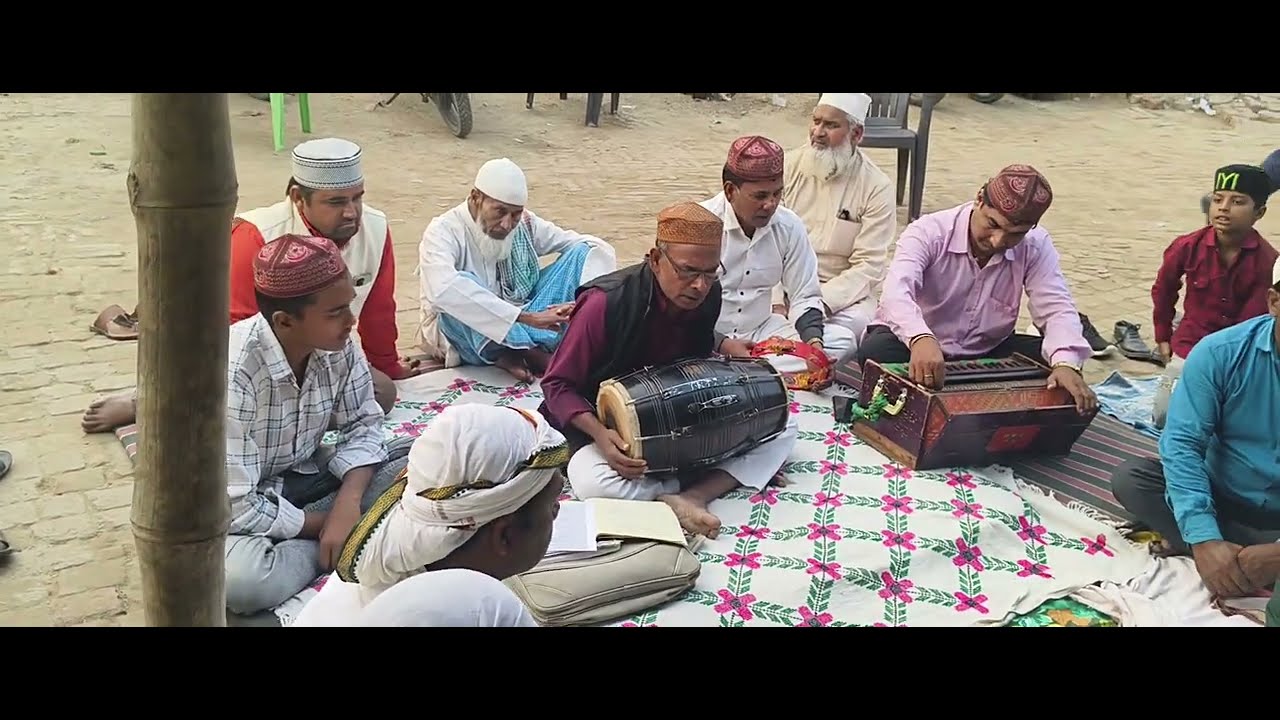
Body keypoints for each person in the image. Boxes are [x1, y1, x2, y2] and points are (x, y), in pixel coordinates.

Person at [81, 137, 415, 434]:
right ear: (299, 198)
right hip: (245, 360)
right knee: (234, 409)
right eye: (336, 202)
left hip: (317, 355)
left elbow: (378, 309)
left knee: (381, 392)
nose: (351, 213)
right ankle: (148, 405)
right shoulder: (254, 235)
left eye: (357, 198)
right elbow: (228, 334)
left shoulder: (376, 227)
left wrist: (386, 363)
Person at [538, 201, 798, 539]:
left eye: (710, 274)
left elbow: (692, 343)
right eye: (688, 271)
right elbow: (557, 384)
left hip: (678, 417)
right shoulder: (605, 303)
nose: (699, 286)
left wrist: (722, 344)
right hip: (606, 427)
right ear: (656, 259)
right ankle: (710, 477)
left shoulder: (707, 295)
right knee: (590, 480)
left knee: (784, 420)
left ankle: (692, 495)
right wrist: (601, 436)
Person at [223, 234, 413, 620]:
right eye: (336, 312)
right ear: (285, 321)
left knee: (416, 458)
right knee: (244, 582)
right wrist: (327, 524)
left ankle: (349, 531)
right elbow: (236, 506)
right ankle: (356, 536)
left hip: (305, 475)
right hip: (238, 507)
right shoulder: (233, 372)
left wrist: (347, 502)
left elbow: (364, 423)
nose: (351, 321)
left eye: (349, 305)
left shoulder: (337, 343)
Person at [853, 164, 1098, 414]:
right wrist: (920, 338)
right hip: (913, 344)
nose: (998, 241)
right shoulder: (928, 232)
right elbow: (895, 295)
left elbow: (1056, 307)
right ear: (979, 199)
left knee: (1057, 366)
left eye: (1016, 234)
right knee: (876, 353)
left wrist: (1066, 363)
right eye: (993, 224)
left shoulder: (1036, 244)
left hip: (987, 350)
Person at [290, 404, 565, 626]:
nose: (559, 509)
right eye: (552, 505)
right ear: (504, 536)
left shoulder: (387, 557)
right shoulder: (474, 604)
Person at [1110, 258, 1280, 601]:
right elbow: (1182, 445)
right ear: (1275, 302)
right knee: (1133, 479)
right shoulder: (1221, 353)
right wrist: (1204, 538)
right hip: (1222, 495)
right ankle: (1230, 555)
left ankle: (1244, 558)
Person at [417, 158, 617, 383]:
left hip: (526, 319)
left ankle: (523, 346)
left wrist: (581, 304)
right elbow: (442, 289)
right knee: (458, 289)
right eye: (499, 211)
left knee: (585, 251)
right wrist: (526, 318)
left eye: (515, 214)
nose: (507, 224)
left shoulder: (525, 224)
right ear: (475, 197)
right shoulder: (443, 231)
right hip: (465, 334)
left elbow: (592, 248)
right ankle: (528, 354)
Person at [1151, 163, 1276, 429]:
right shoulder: (1186, 246)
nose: (1223, 207)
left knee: (1227, 423)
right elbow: (1164, 289)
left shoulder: (1268, 261)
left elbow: (1253, 323)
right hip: (1189, 347)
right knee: (1164, 417)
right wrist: (1163, 336)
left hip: (1237, 358)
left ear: (1259, 213)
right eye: (1218, 199)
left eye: (1238, 201)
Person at [781, 93, 896, 355]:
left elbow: (869, 265)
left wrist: (818, 304)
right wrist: (779, 301)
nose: (818, 133)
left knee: (851, 333)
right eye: (816, 122)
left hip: (839, 297)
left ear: (856, 134)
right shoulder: (788, 167)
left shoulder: (876, 187)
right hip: (784, 285)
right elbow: (766, 239)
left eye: (831, 126)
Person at [700, 136, 827, 358]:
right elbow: (675, 304)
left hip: (762, 333)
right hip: (705, 336)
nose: (770, 204)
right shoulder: (700, 224)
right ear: (730, 191)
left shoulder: (789, 226)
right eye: (759, 196)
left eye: (777, 193)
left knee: (839, 340)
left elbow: (804, 296)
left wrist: (814, 345)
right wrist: (722, 343)